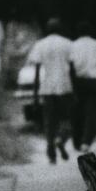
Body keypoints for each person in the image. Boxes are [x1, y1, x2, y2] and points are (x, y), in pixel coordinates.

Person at [27, 17, 73, 164]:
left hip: (47, 88)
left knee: (49, 122)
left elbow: (36, 70)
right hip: (65, 87)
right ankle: (61, 139)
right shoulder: (68, 44)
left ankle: (51, 152)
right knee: (66, 119)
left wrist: (35, 95)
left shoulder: (40, 45)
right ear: (60, 29)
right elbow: (73, 68)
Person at [68, 21, 96, 152]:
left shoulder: (72, 45)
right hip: (93, 80)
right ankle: (86, 141)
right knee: (91, 111)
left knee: (77, 111)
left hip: (77, 80)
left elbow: (70, 64)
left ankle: (76, 140)